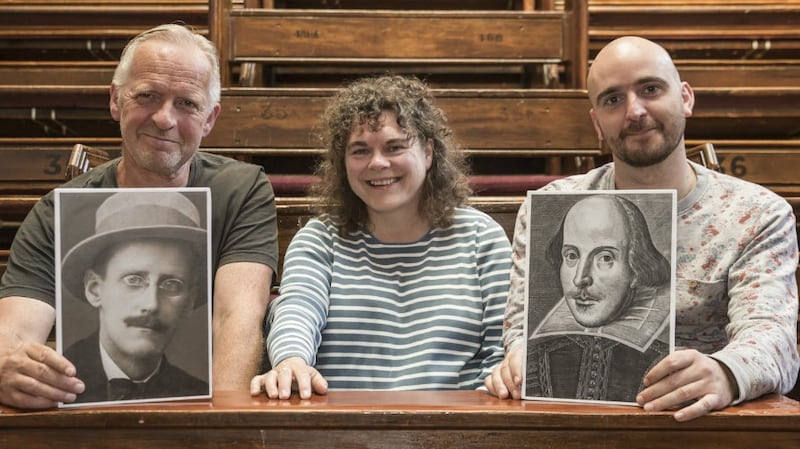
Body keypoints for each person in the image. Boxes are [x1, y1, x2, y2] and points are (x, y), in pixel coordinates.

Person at [485, 36, 799, 421]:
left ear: (685, 97)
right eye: (612, 99)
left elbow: (774, 341)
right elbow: (519, 330)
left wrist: (726, 373)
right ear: (596, 121)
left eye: (650, 89)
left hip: (699, 426)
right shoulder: (551, 206)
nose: (634, 111)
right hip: (572, 424)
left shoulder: (756, 214)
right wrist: (519, 360)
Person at [0, 24, 278, 409]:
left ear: (210, 118)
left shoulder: (240, 190)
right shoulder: (56, 211)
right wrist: (7, 367)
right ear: (116, 100)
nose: (165, 119)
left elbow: (237, 319)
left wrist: (218, 433)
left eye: (187, 103)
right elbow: (13, 333)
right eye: (147, 96)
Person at [249, 75, 511, 399]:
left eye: (395, 147)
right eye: (360, 151)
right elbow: (298, 310)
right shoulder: (320, 240)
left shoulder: (481, 238)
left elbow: (503, 355)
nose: (377, 163)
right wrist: (291, 360)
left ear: (428, 152)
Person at [61, 191, 209, 403]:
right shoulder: (54, 383)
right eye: (133, 280)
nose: (151, 304)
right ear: (95, 289)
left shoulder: (197, 394)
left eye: (171, 284)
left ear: (189, 302)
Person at [526, 194, 671, 403]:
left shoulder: (661, 359)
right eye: (572, 256)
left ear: (636, 269)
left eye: (605, 258)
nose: (580, 279)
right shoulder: (532, 356)